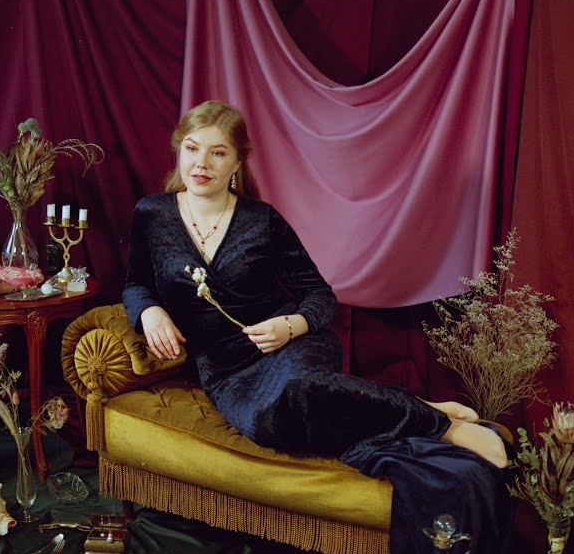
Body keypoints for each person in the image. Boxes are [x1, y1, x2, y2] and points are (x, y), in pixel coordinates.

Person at [123, 100, 507, 470]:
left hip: (290, 344)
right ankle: (422, 406)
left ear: (238, 162)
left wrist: (290, 326)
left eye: (218, 153)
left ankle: (447, 429)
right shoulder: (152, 215)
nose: (201, 163)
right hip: (224, 368)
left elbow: (320, 295)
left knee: (304, 391)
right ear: (179, 149)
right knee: (267, 425)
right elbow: (136, 283)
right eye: (192, 148)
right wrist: (149, 311)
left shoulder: (262, 220)